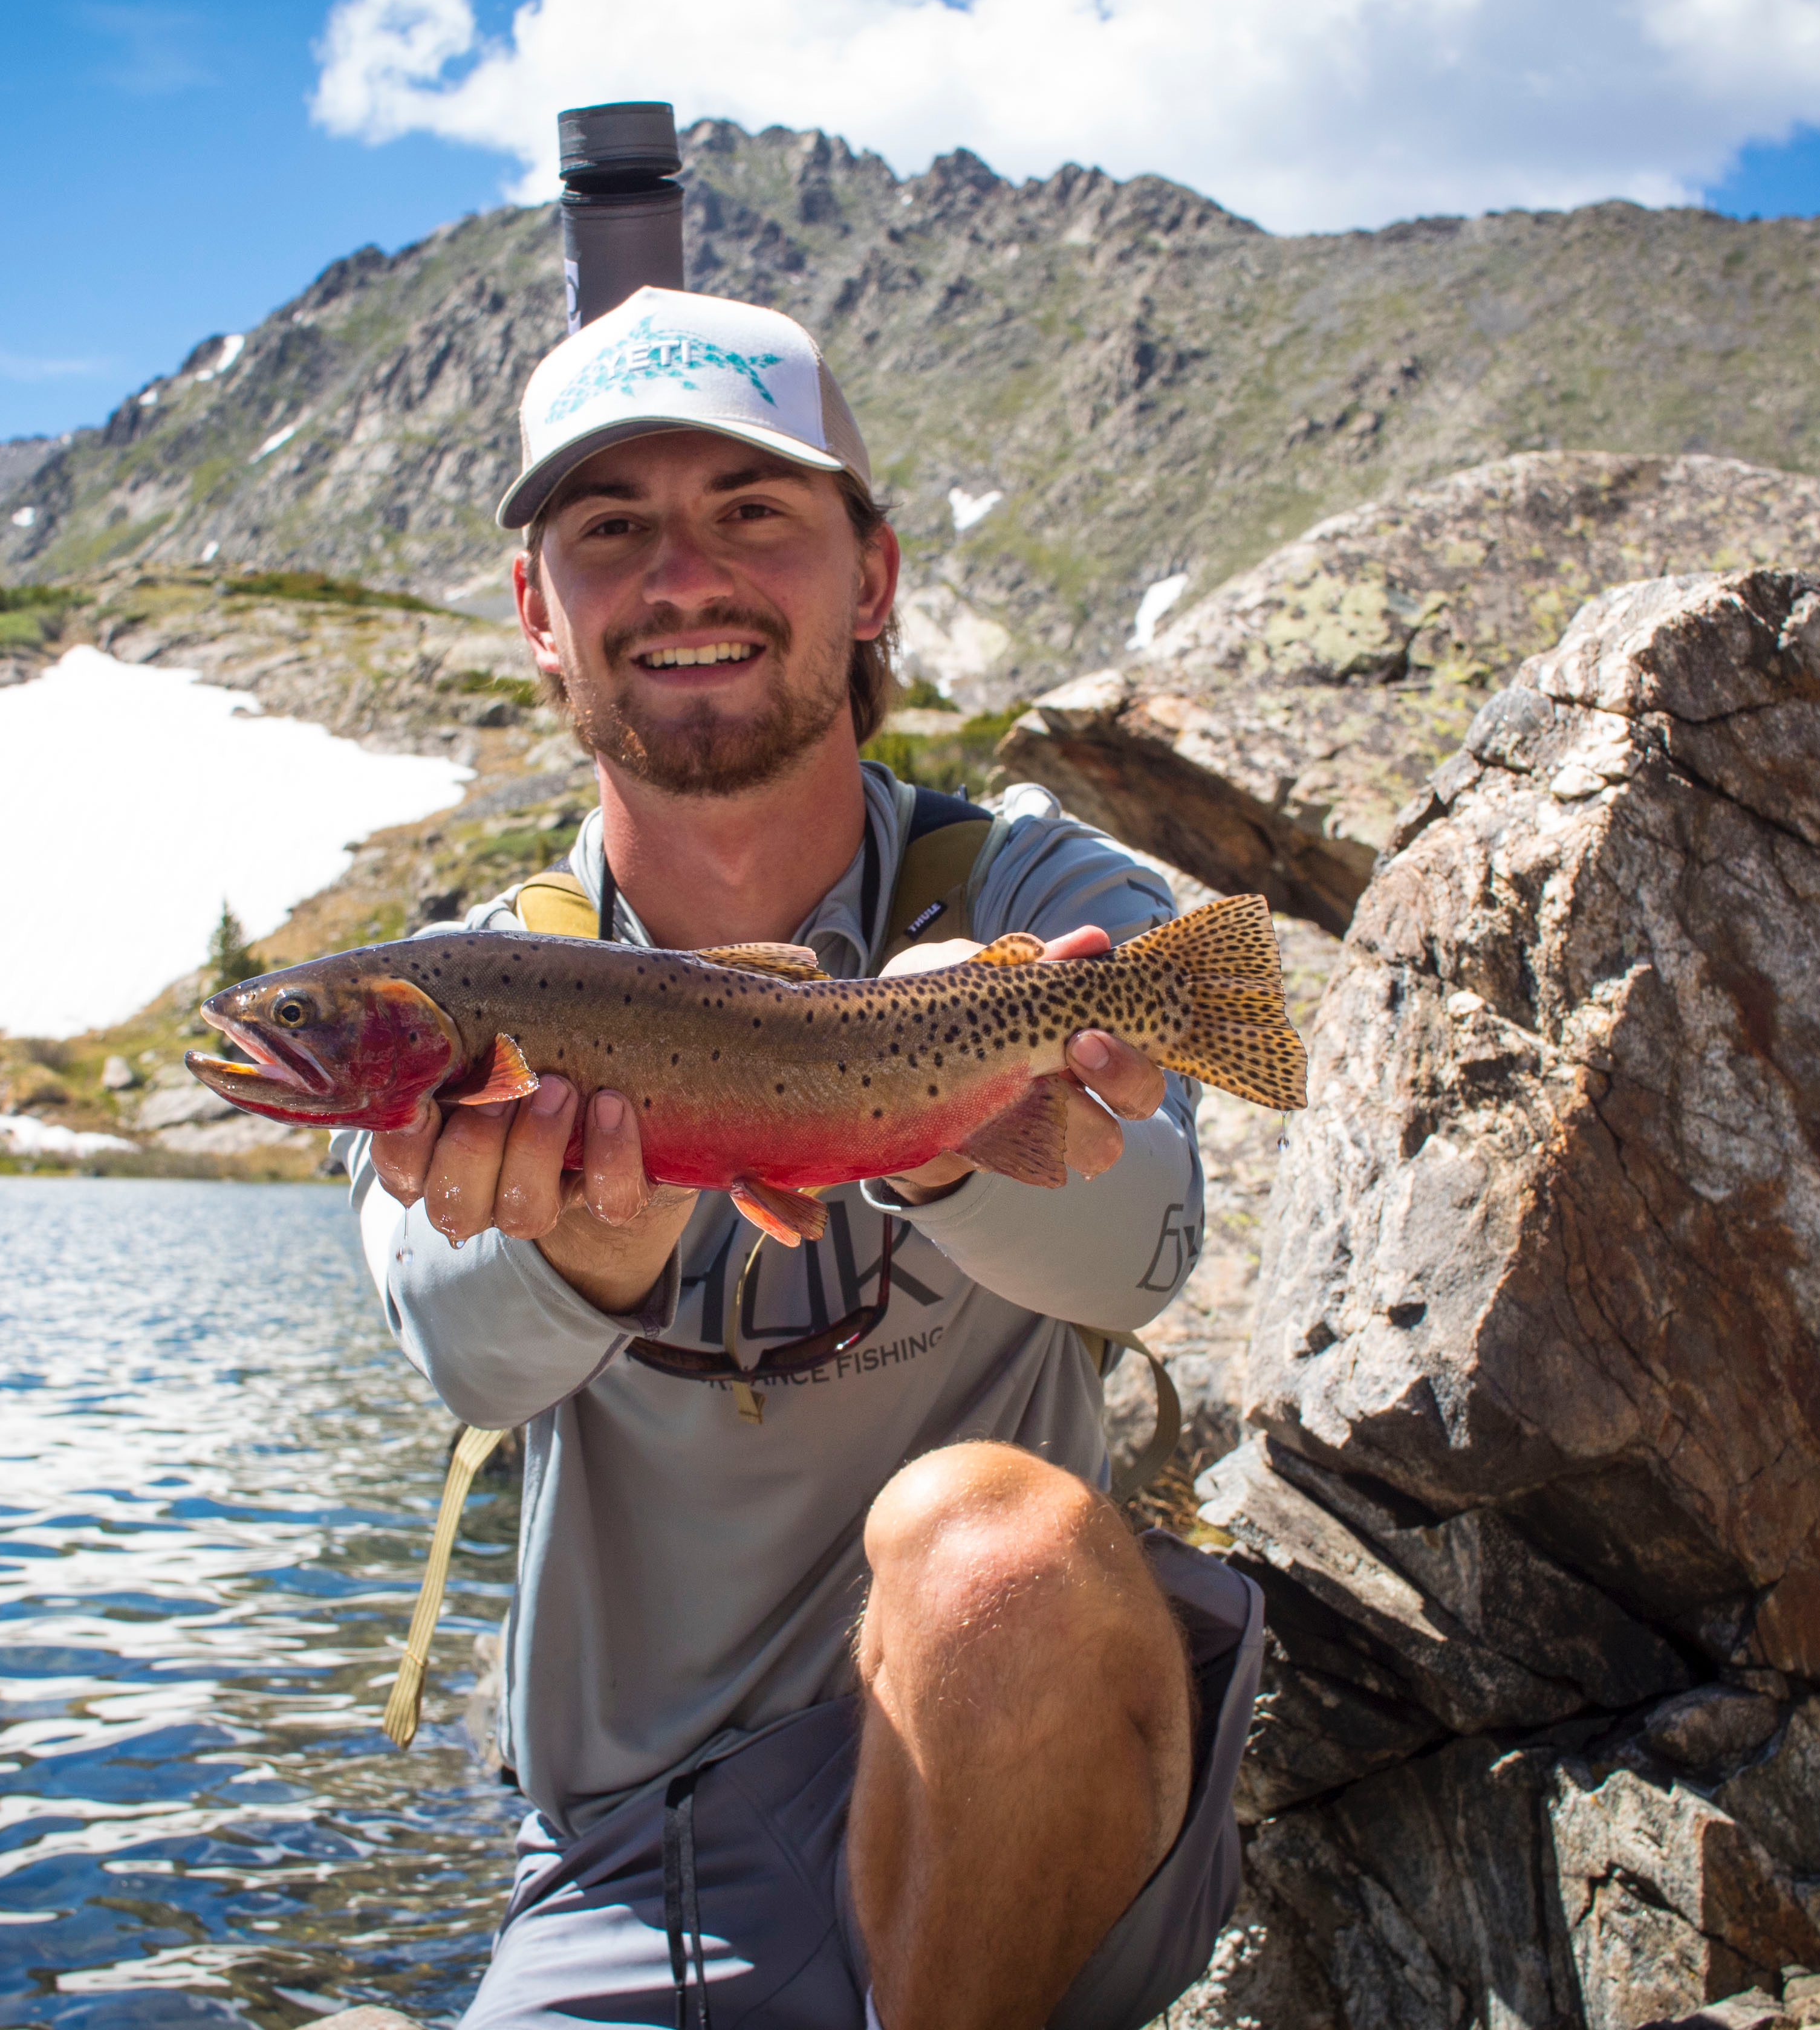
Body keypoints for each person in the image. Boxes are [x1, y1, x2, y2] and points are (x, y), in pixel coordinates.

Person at [338, 286, 1262, 2030]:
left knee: (990, 1553)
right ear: (541, 613)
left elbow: (1148, 1261)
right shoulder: (465, 986)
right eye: (614, 530)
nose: (685, 576)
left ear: (876, 578)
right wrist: (595, 1237)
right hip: (635, 1864)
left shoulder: (1048, 911)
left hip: (1031, 1783)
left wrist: (931, 1095)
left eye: (753, 511)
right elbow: (454, 1352)